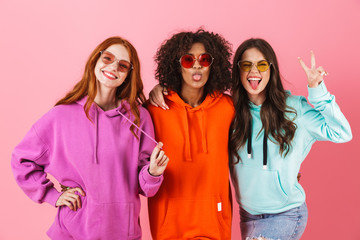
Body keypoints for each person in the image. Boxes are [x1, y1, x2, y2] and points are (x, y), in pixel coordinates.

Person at [11, 36, 169, 240]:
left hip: (123, 232)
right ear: (95, 60)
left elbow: (145, 188)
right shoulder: (61, 115)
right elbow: (21, 159)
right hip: (72, 231)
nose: (113, 67)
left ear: (128, 75)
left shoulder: (139, 118)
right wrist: (52, 195)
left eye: (122, 65)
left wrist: (153, 172)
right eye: (108, 58)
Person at [229, 38, 352, 240]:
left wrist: (318, 90)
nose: (254, 71)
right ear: (238, 70)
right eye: (246, 65)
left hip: (285, 214)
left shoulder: (294, 109)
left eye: (261, 65)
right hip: (247, 215)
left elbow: (342, 132)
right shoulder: (230, 112)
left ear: (271, 70)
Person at [146, 29, 234, 239]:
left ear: (213, 65)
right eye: (188, 60)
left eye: (204, 59)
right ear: (177, 65)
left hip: (215, 224)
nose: (197, 65)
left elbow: (255, 137)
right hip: (169, 227)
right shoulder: (154, 109)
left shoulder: (228, 107)